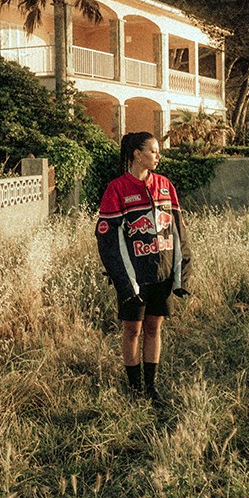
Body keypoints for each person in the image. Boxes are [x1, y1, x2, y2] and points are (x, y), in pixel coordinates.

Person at [96, 131, 191, 403]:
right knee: (133, 330)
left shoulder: (165, 185)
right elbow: (107, 239)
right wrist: (123, 279)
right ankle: (134, 388)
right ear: (137, 154)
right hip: (134, 277)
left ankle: (151, 387)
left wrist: (182, 274)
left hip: (161, 274)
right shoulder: (117, 189)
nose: (158, 156)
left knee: (154, 328)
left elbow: (180, 232)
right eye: (153, 151)